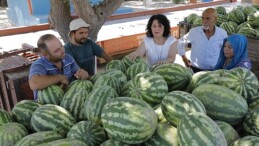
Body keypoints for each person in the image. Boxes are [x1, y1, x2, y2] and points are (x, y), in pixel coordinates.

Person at [29, 34, 89, 100]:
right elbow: (34, 83)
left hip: (67, 100)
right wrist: (59, 78)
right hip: (47, 107)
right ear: (45, 55)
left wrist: (83, 74)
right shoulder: (39, 65)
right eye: (57, 50)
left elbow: (78, 72)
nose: (63, 50)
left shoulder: (67, 58)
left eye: (61, 45)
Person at [177, 8, 228, 73]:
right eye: (203, 18)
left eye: (208, 18)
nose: (204, 21)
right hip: (196, 70)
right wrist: (184, 59)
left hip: (214, 71)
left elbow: (226, 51)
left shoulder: (222, 34)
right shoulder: (194, 32)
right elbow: (180, 43)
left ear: (215, 19)